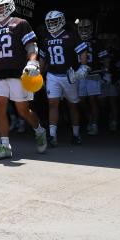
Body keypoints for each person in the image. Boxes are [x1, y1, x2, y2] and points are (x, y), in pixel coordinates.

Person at [0, 0, 47, 160]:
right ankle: (5, 145)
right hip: (0, 74)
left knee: (22, 110)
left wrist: (33, 62)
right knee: (0, 106)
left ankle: (39, 129)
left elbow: (31, 46)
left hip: (18, 72)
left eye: (1, 7)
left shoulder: (20, 23)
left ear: (9, 7)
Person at [39, 11, 89, 146]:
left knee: (72, 105)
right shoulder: (45, 38)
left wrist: (83, 66)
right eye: (49, 22)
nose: (51, 24)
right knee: (53, 104)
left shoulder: (71, 35)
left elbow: (82, 50)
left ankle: (76, 134)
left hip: (69, 74)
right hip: (52, 75)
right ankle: (52, 136)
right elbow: (42, 58)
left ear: (61, 21)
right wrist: (38, 73)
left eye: (54, 21)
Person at [76, 18, 107, 136]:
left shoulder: (96, 42)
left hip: (93, 73)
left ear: (91, 29)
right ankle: (90, 117)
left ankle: (94, 124)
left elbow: (105, 57)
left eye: (86, 28)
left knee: (92, 99)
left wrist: (106, 71)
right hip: (79, 74)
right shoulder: (75, 40)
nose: (84, 30)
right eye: (81, 28)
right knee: (80, 100)